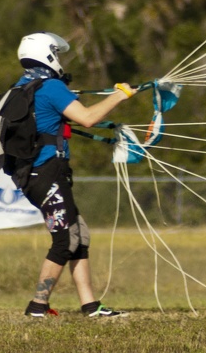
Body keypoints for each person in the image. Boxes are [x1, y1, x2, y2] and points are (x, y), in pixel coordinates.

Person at [12, 32, 137, 318]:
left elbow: (54, 118)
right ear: (48, 55)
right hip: (47, 172)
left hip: (33, 175)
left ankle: (90, 306)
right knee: (66, 238)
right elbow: (89, 118)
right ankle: (37, 307)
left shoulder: (24, 86)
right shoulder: (51, 87)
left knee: (79, 234)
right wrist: (120, 95)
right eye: (56, 53)